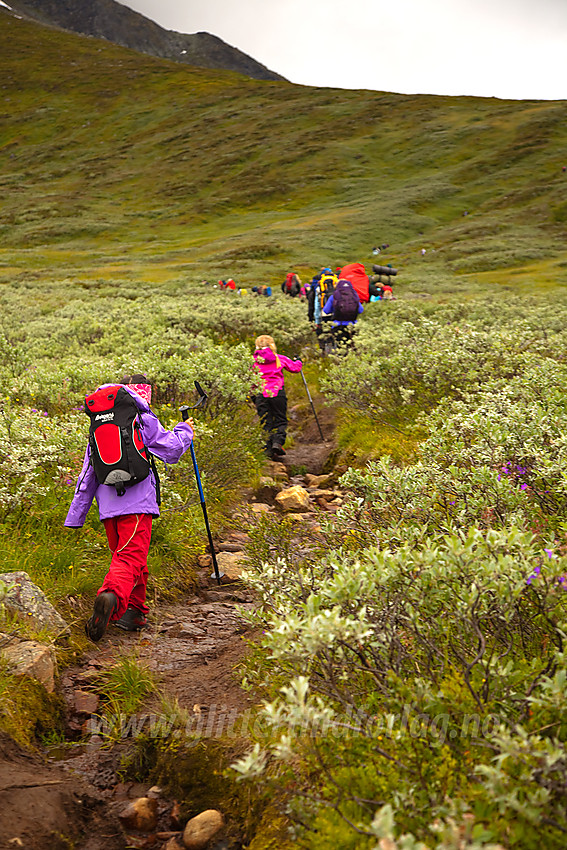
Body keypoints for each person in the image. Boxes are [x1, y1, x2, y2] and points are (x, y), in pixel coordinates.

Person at [65, 374, 194, 641]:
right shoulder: (141, 419)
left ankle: (134, 612)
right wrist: (185, 430)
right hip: (137, 507)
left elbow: (87, 474)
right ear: (144, 394)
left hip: (108, 510)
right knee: (129, 560)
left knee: (131, 559)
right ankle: (109, 597)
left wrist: (76, 516)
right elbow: (171, 450)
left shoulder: (98, 425)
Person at [252, 336, 302, 459]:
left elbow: (250, 379)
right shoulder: (279, 358)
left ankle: (268, 450)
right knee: (280, 419)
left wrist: (253, 396)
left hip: (261, 394)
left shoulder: (252, 361)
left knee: (265, 421)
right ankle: (277, 442)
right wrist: (299, 361)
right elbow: (295, 368)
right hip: (277, 392)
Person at [322, 279, 363, 349]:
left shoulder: (334, 296)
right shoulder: (353, 296)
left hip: (338, 325)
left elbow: (326, 310)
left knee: (340, 349)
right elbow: (361, 310)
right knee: (352, 348)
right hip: (353, 325)